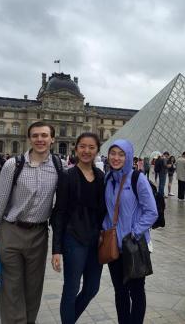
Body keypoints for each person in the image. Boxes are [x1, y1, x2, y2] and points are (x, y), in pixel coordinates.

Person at [0, 121, 62, 323]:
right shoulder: (13, 164)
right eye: (35, 135)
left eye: (44, 135)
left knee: (34, 286)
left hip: (39, 234)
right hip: (11, 231)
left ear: (52, 139)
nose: (40, 139)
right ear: (29, 138)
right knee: (11, 286)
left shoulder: (57, 165)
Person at [51, 133, 106, 323]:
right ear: (76, 149)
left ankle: (69, 319)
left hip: (95, 239)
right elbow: (59, 213)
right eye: (83, 146)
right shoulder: (67, 176)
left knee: (92, 288)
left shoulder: (100, 176)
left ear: (97, 150)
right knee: (71, 288)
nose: (86, 151)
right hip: (73, 238)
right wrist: (56, 249)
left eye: (91, 147)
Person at [103, 139, 158, 324]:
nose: (116, 157)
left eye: (121, 154)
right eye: (113, 153)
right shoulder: (108, 178)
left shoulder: (137, 179)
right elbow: (107, 211)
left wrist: (133, 234)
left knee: (136, 291)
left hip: (133, 246)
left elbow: (152, 212)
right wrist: (103, 231)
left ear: (128, 157)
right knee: (120, 292)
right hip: (114, 248)